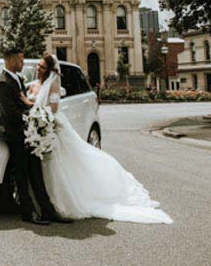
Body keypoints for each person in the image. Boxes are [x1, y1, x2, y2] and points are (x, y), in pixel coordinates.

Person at [27, 53, 173, 224]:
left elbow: (52, 107)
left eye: (42, 67)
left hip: (51, 125)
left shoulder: (54, 85)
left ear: (50, 70)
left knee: (59, 164)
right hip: (38, 126)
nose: (38, 69)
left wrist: (38, 115)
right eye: (38, 65)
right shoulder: (32, 85)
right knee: (49, 164)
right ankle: (41, 203)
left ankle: (58, 203)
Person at [0, 47, 72, 225]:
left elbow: (25, 107)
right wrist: (34, 115)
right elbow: (11, 114)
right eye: (21, 61)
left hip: (31, 135)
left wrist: (34, 119)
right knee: (22, 176)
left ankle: (48, 211)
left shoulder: (17, 79)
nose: (23, 64)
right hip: (18, 136)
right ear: (12, 61)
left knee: (36, 175)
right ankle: (28, 213)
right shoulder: (2, 83)